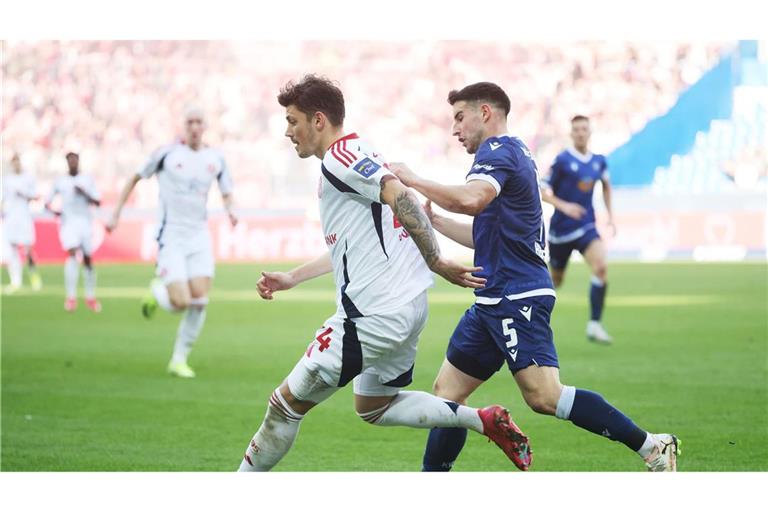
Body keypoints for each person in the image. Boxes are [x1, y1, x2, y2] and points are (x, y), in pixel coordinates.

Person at [237, 75, 532, 472]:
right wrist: (294, 277)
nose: (288, 132)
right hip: (406, 308)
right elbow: (351, 243)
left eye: (293, 121)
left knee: (284, 405)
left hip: (373, 316)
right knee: (373, 406)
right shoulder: (361, 153)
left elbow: (398, 194)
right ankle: (482, 419)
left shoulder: (342, 158)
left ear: (318, 120)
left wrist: (436, 260)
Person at [390, 82, 680, 472]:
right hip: (493, 297)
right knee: (448, 395)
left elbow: (471, 200)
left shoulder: (498, 151)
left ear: (486, 113)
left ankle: (652, 446)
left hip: (517, 295)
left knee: (545, 397)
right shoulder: (513, 153)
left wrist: (413, 179)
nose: (455, 129)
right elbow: (485, 234)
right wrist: (436, 220)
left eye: (460, 117)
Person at [106, 107, 238, 379]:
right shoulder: (166, 154)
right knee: (180, 301)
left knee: (200, 301)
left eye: (199, 122)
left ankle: (179, 359)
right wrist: (116, 212)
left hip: (199, 236)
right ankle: (158, 291)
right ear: (183, 125)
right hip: (171, 236)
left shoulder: (216, 158)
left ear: (205, 126)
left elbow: (227, 193)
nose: (194, 127)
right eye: (189, 122)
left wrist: (232, 210)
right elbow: (134, 178)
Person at [540, 115, 615, 343]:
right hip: (561, 230)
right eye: (577, 129)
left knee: (601, 268)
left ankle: (594, 325)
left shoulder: (599, 161)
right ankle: (532, 319)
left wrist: (610, 217)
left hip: (586, 226)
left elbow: (606, 187)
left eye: (584, 129)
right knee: (556, 281)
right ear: (571, 134)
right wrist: (565, 206)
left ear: (590, 132)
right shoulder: (562, 160)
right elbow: (542, 190)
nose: (581, 133)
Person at [45, 152, 102, 312]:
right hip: (68, 223)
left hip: (85, 223)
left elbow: (98, 201)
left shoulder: (87, 179)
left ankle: (90, 296)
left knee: (88, 259)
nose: (73, 163)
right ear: (66, 162)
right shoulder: (60, 181)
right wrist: (56, 213)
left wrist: (84, 192)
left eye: (75, 160)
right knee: (71, 253)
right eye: (70, 160)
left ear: (78, 161)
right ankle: (71, 297)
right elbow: (47, 202)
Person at [2, 153, 42, 293]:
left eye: (18, 161)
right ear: (11, 164)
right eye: (14, 162)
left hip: (25, 217)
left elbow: (36, 196)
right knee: (12, 249)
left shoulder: (28, 178)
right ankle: (15, 281)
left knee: (28, 249)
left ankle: (33, 275)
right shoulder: (7, 180)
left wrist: (24, 193)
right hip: (11, 218)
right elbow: (2, 199)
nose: (16, 164)